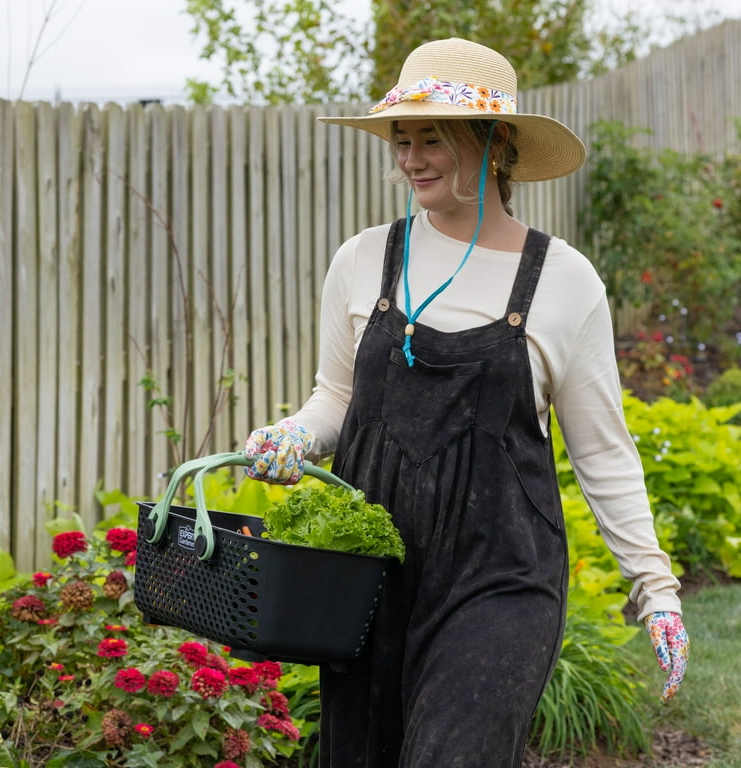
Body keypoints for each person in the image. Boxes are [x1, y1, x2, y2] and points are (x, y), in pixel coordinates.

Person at [243, 38, 689, 768]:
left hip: (501, 579)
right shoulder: (363, 259)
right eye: (401, 139)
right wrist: (293, 434)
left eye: (431, 139)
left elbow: (603, 450)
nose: (410, 159)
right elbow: (336, 400)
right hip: (366, 577)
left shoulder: (564, 281)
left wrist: (658, 589)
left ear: (495, 141)